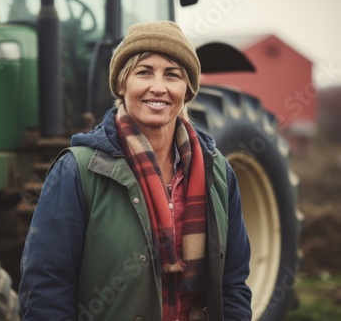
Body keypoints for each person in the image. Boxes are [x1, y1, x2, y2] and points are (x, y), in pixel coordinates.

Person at [19, 20, 252, 321]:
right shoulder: (77, 171)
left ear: (188, 89)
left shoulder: (218, 172)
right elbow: (46, 288)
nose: (159, 87)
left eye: (173, 75)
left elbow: (233, 284)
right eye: (144, 72)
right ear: (121, 83)